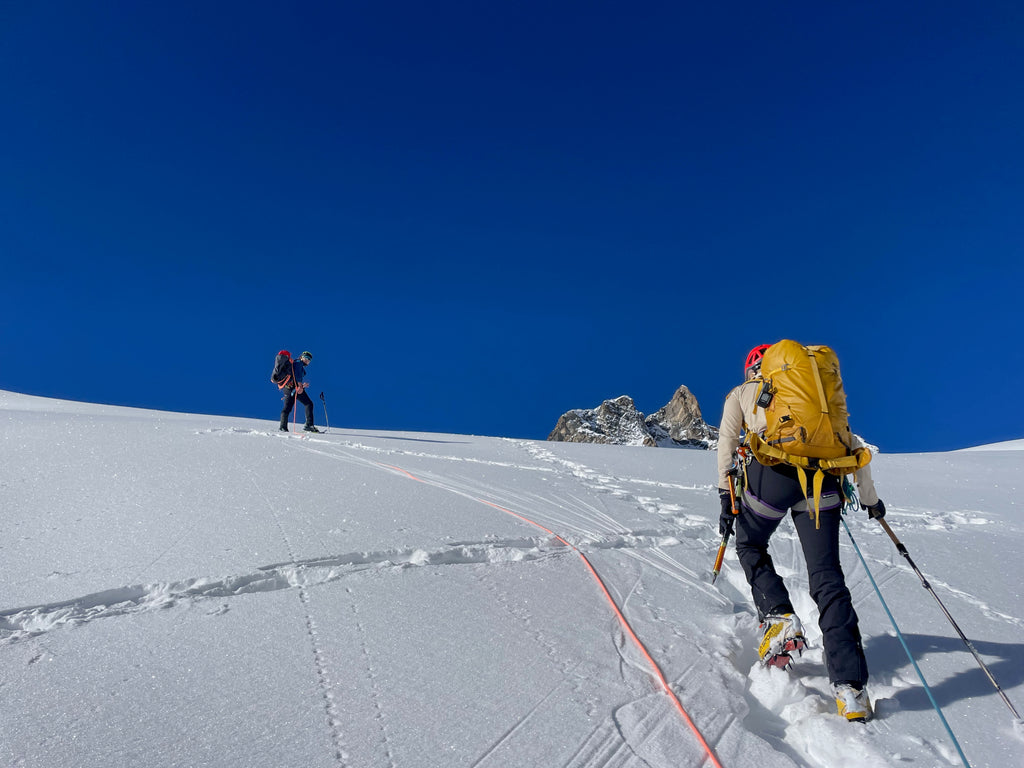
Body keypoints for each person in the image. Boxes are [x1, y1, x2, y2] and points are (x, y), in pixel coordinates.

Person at [717, 343, 886, 722]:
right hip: (823, 480)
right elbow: (853, 446)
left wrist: (724, 499)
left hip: (773, 475)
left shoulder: (743, 393)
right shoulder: (813, 397)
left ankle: (778, 616)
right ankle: (850, 688)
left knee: (750, 542)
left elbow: (727, 442)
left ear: (751, 369)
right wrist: (871, 501)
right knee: (828, 578)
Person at [280, 351, 321, 433]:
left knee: (288, 408)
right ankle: (309, 425)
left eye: (309, 359)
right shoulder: (298, 363)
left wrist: (301, 385)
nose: (307, 360)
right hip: (294, 388)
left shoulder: (296, 364)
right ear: (301, 357)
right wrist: (299, 385)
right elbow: (297, 375)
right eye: (306, 358)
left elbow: (294, 375)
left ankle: (283, 427)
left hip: (289, 388)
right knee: (308, 404)